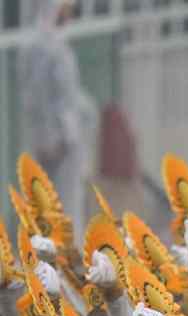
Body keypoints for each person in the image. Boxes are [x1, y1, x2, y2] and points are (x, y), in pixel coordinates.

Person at [19, 0, 94, 230]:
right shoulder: (42, 48)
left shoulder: (56, 45)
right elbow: (41, 98)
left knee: (65, 203)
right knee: (59, 204)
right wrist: (52, 137)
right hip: (58, 142)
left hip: (64, 140)